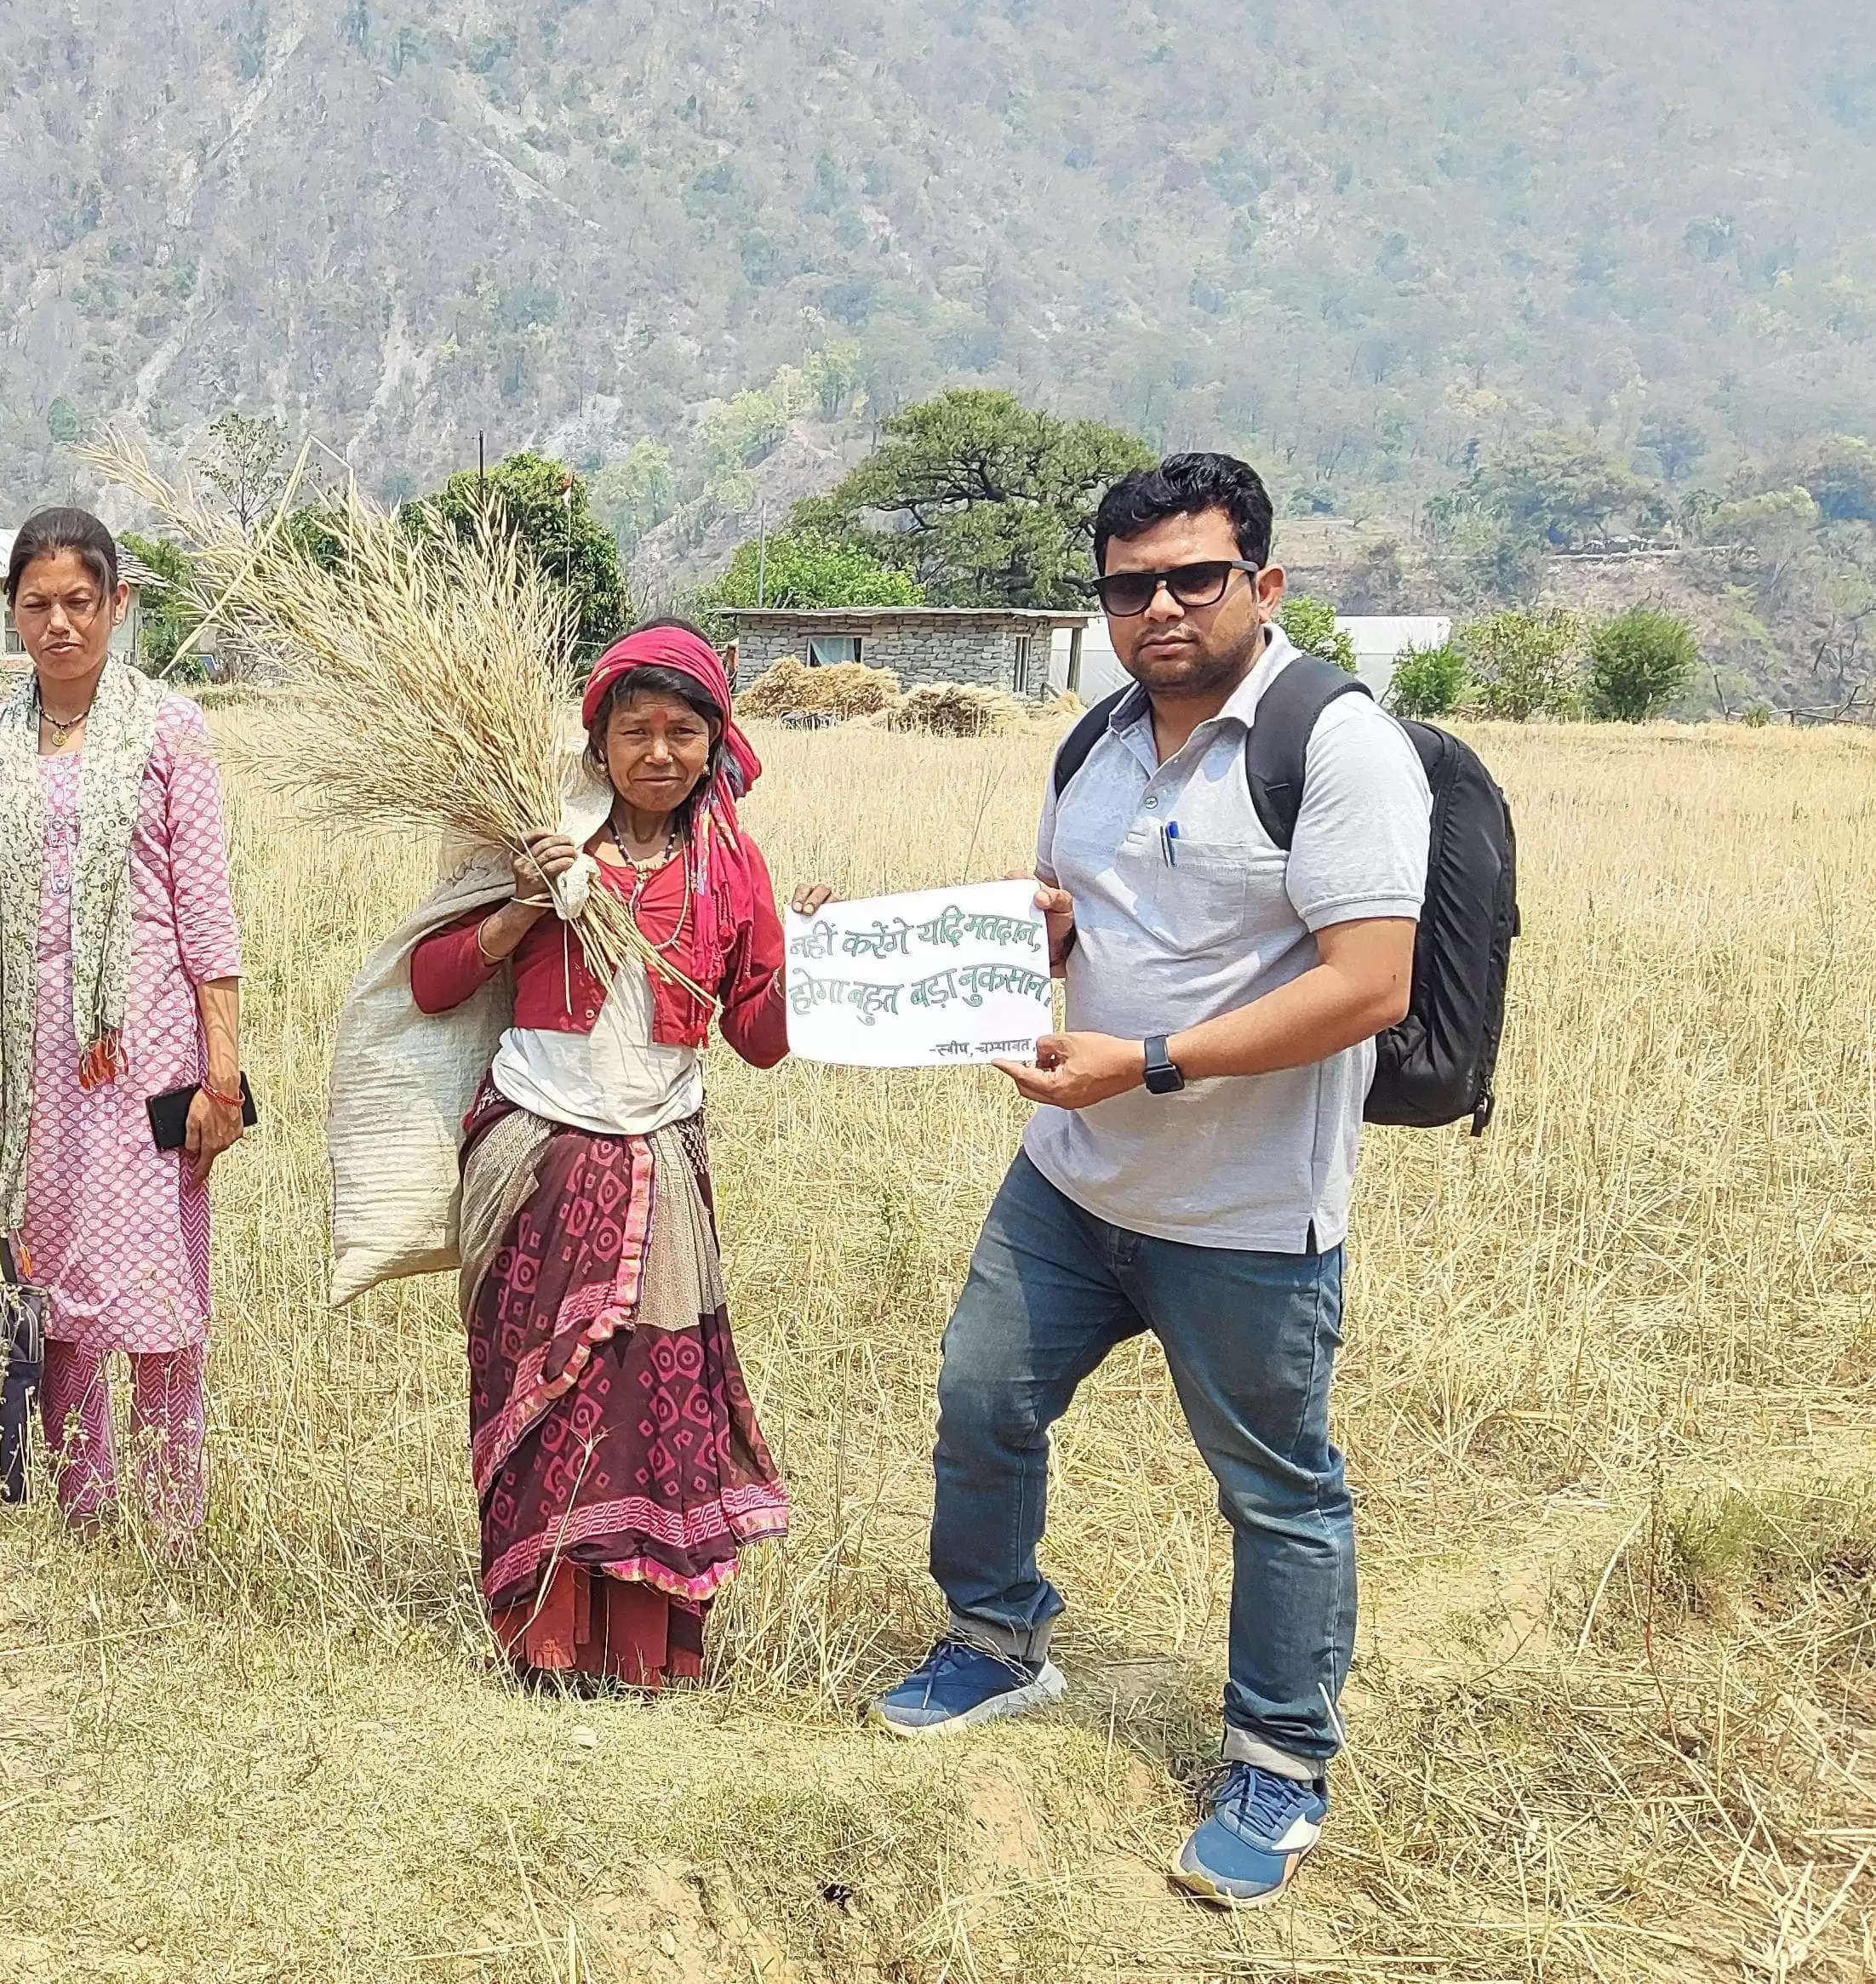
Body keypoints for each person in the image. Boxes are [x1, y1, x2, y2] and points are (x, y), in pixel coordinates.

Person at [868, 453, 1431, 1910]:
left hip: (1244, 1212)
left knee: (1275, 1487)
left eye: (1194, 574)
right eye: (1130, 584)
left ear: (1263, 581)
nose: (1161, 606)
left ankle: (1278, 1755)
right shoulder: (1092, 742)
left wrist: (1154, 1058)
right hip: (1071, 1178)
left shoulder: (1337, 744)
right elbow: (1080, 923)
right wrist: (973, 944)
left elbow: (1369, 984)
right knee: (981, 1397)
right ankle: (997, 1642)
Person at [407, 622, 831, 1690]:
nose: (656, 752)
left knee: (653, 1400)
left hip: (658, 1164)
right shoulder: (533, 839)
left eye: (680, 731)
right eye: (631, 731)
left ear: (713, 741)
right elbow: (431, 981)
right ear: (595, 745)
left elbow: (758, 1041)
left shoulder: (730, 868)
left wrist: (817, 965)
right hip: (535, 1157)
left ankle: (639, 1653)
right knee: (539, 1391)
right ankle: (544, 1643)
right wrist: (520, 900)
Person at [0, 506, 244, 1538]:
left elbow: (205, 910)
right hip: (33, 1064)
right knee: (50, 1283)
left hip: (150, 1050)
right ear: (10, 614)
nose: (59, 624)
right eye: (38, 604)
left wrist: (222, 1079)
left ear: (118, 605)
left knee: (159, 1287)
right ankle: (84, 1512)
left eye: (80, 602)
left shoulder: (170, 728)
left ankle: (171, 1522)